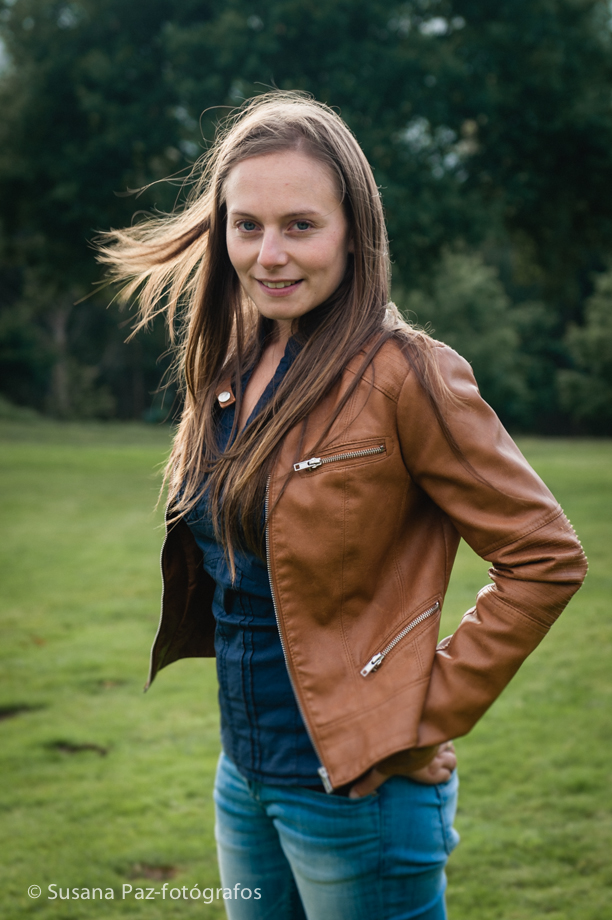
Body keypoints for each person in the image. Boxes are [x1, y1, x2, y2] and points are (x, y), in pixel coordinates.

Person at [97, 92, 587, 920]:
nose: (270, 254)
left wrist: (424, 716)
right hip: (243, 776)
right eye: (246, 225)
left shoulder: (408, 374)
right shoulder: (228, 365)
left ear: (354, 234)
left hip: (358, 792)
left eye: (300, 225)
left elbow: (545, 557)